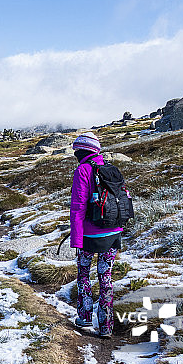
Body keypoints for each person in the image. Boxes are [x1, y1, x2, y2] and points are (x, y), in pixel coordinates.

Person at [69, 132, 123, 338]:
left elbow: (78, 208)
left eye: (77, 150)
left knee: (84, 273)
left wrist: (77, 240)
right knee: (106, 276)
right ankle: (106, 326)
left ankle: (84, 317)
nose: (76, 153)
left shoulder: (83, 170)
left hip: (90, 236)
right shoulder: (110, 168)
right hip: (113, 232)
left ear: (83, 151)